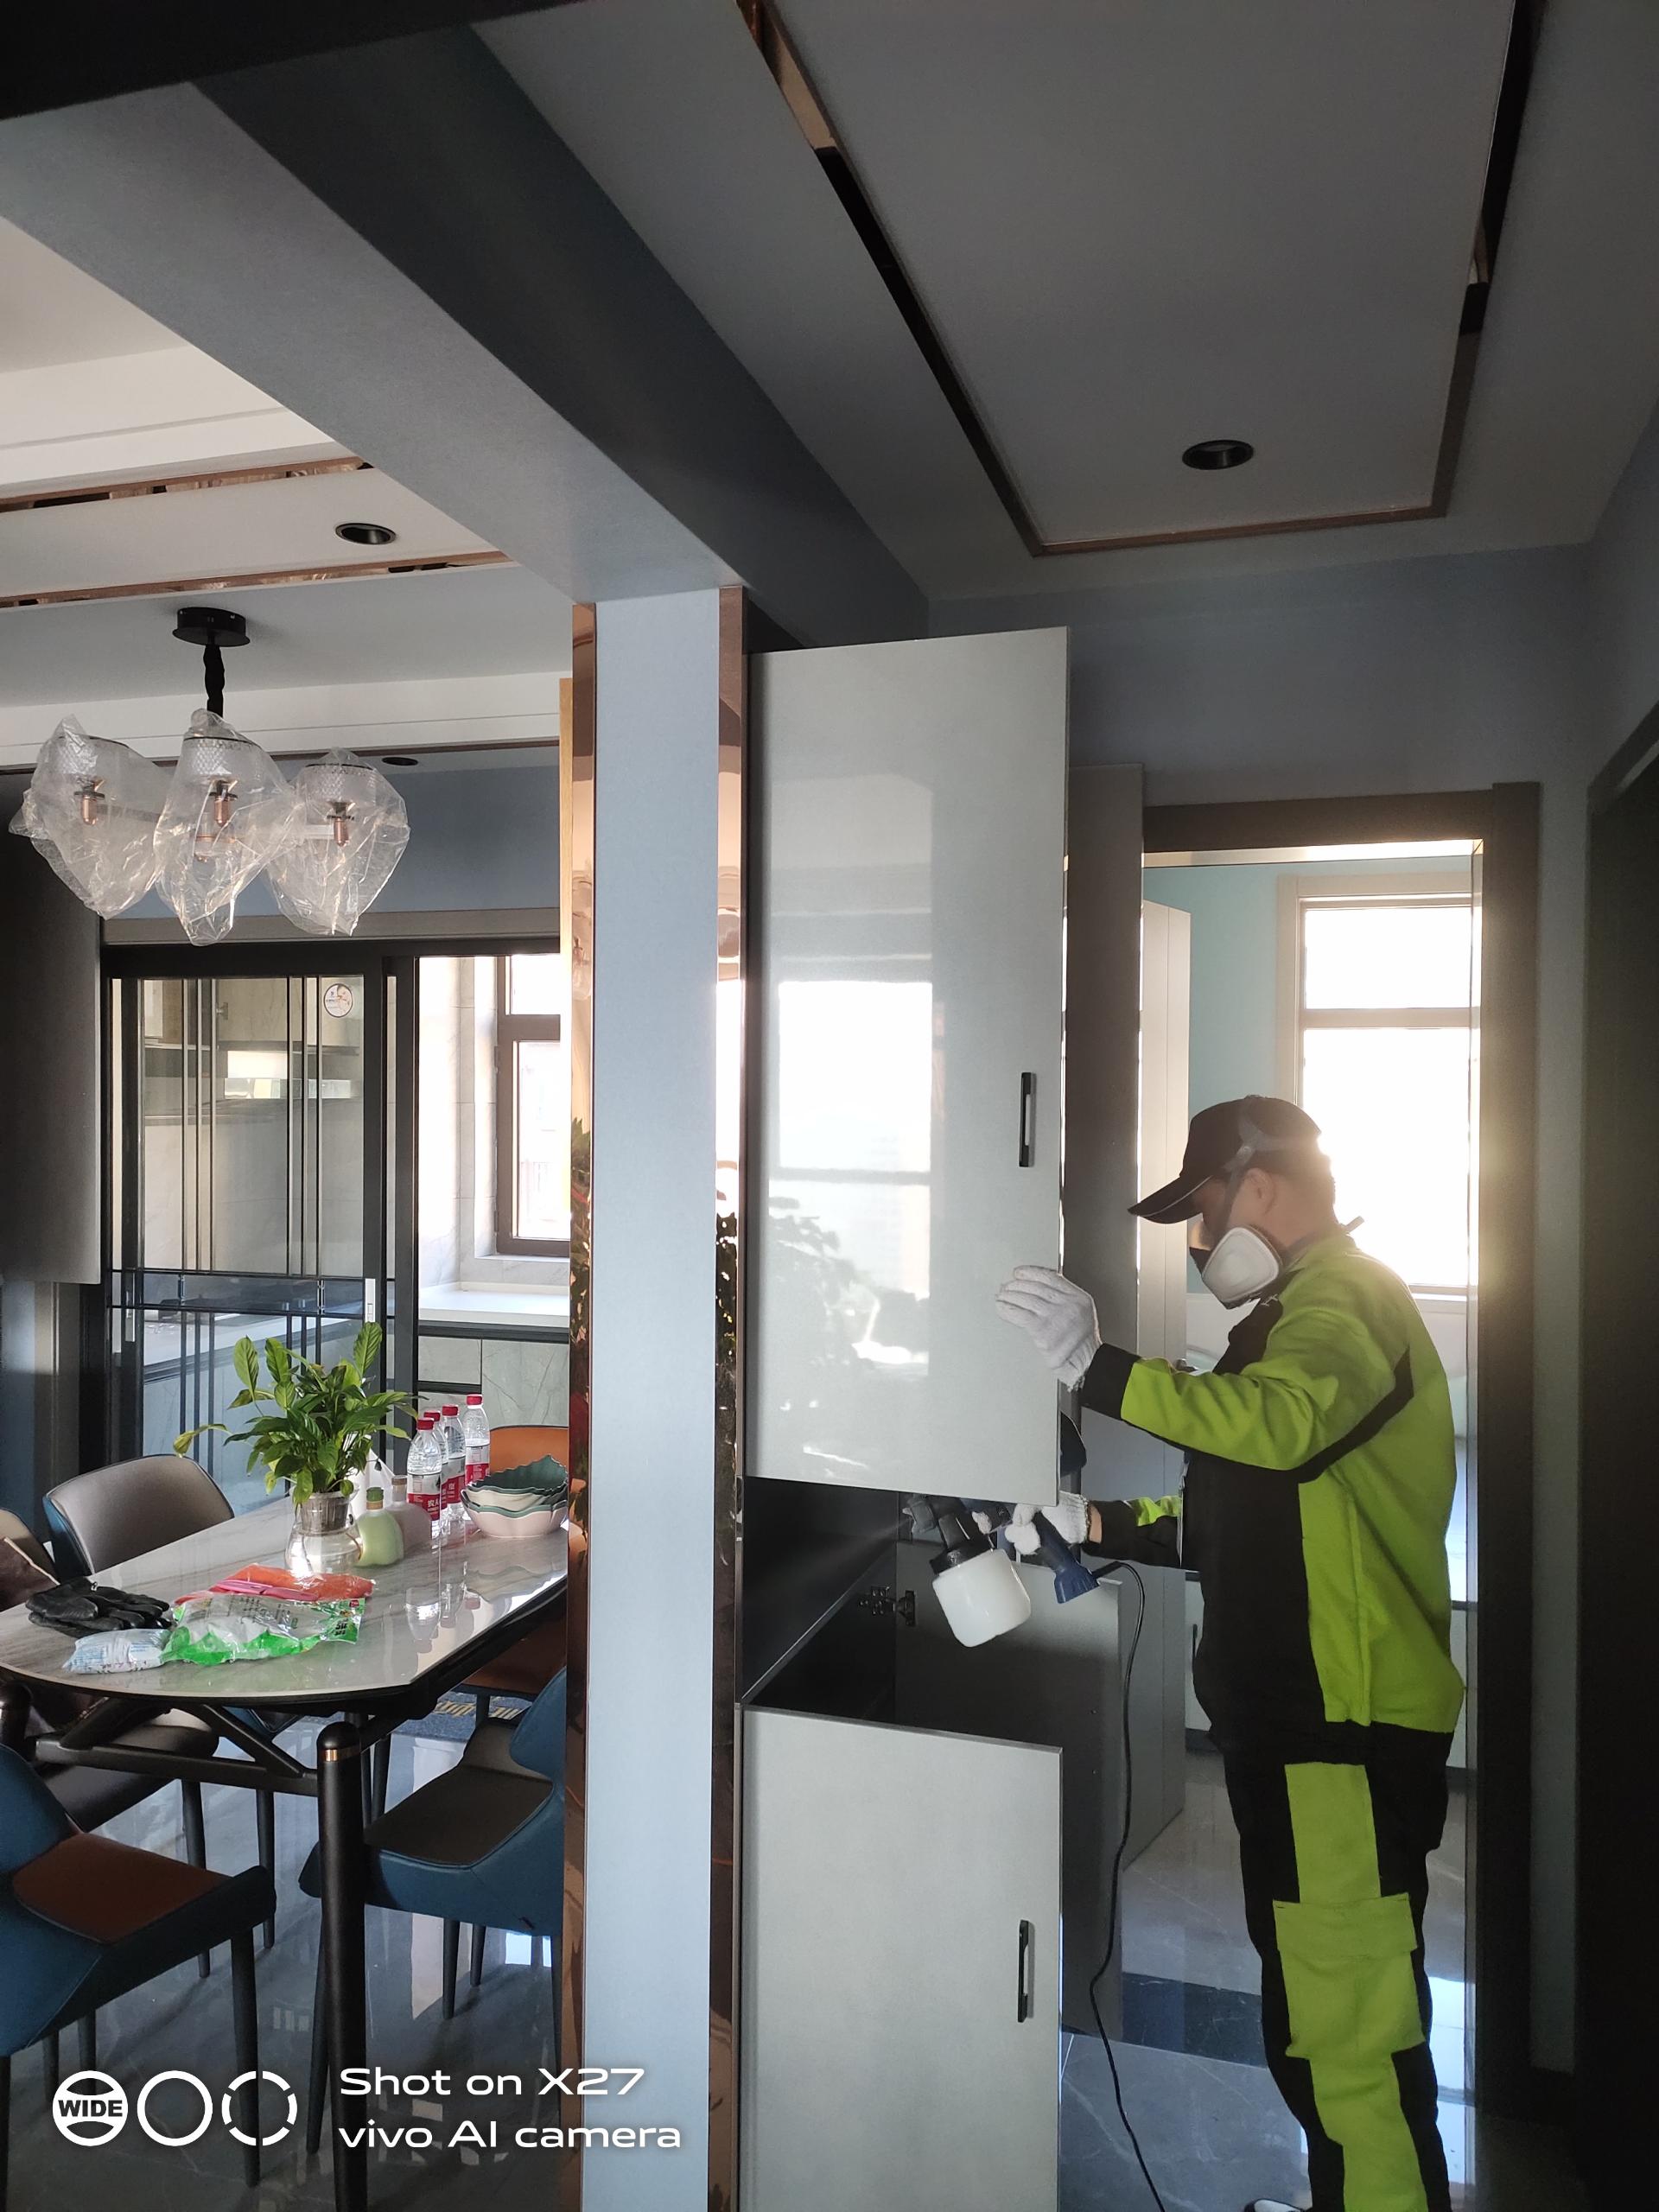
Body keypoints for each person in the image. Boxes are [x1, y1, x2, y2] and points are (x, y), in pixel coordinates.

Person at [996, 1095, 1463, 2212]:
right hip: (1300, 1726)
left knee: (1349, 2032)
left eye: (1203, 1212)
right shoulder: (1297, 1315)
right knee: (1316, 2011)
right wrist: (1092, 1526)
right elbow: (1250, 1509)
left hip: (1340, 1732)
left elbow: (1280, 1428)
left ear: (1261, 1182)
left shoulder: (1347, 1299)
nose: (1201, 1242)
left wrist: (1099, 1368)